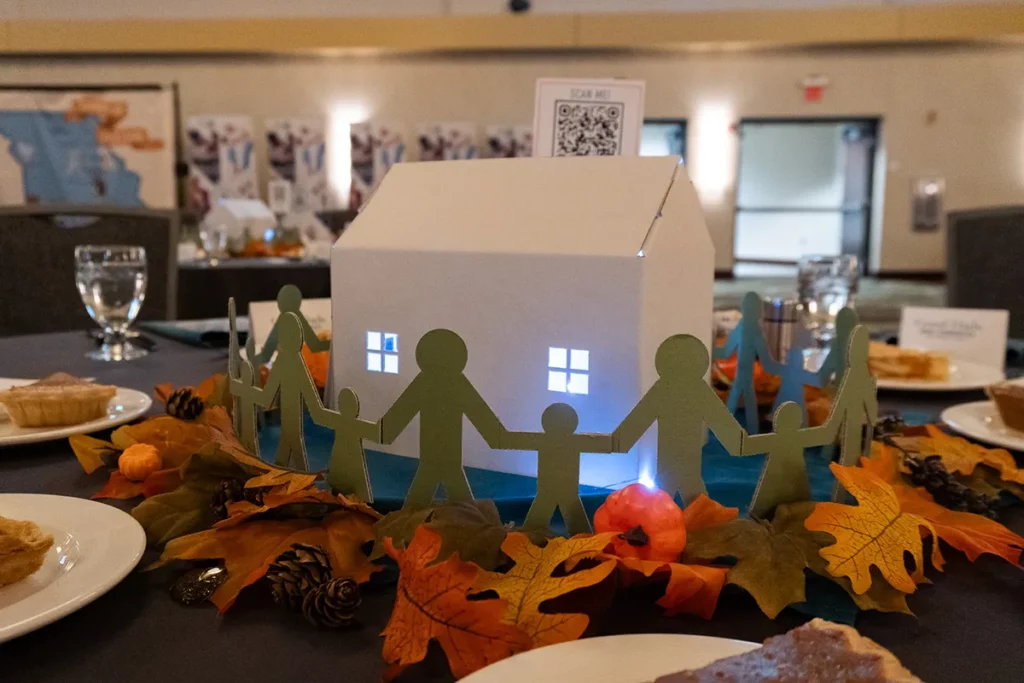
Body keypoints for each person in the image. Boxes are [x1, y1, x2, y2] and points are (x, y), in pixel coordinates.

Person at [615, 334, 746, 505]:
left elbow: (636, 422)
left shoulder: (674, 390)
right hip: (672, 469)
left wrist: (619, 441)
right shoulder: (675, 390)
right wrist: (739, 443)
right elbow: (637, 420)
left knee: (687, 505)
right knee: (673, 505)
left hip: (681, 470)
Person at [381, 329, 503, 508]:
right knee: (458, 508)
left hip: (442, 460)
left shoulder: (434, 383)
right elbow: (489, 427)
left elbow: (393, 424)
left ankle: (407, 528)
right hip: (438, 460)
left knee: (427, 504)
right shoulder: (447, 384)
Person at [502, 403, 613, 535]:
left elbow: (501, 438)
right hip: (556, 493)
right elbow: (618, 442)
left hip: (555, 494)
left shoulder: (544, 440)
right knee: (575, 529)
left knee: (543, 523)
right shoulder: (575, 441)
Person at [233, 313, 323, 471]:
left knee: (291, 460)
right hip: (288, 424)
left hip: (294, 424)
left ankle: (295, 483)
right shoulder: (291, 365)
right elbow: (272, 392)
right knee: (288, 460)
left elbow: (308, 395)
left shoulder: (298, 366)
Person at [740, 401, 840, 518]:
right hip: (788, 473)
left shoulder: (775, 439)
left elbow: (744, 444)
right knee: (775, 500)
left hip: (788, 473)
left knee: (783, 498)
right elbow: (826, 434)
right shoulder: (800, 436)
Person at [826, 326, 879, 500]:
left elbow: (863, 401)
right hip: (849, 428)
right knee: (848, 463)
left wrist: (871, 418)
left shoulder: (858, 374)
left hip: (854, 427)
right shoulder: (858, 374)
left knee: (852, 463)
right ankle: (842, 496)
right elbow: (846, 401)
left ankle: (846, 496)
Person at [714, 292, 775, 434]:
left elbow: (727, 350)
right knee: (746, 405)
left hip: (743, 375)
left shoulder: (746, 329)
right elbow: (764, 357)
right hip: (744, 375)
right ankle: (747, 434)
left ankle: (727, 433)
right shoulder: (754, 330)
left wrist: (712, 352)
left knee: (735, 405)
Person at [307, 387, 378, 503]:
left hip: (342, 454)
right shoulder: (357, 424)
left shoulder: (338, 419)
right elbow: (377, 432)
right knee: (348, 482)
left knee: (343, 480)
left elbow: (319, 415)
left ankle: (352, 502)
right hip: (349, 456)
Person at [249, 284, 329, 365]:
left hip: (285, 366)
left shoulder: (284, 318)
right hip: (298, 366)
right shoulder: (298, 317)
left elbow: (266, 354)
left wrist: (250, 361)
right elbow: (315, 346)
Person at [761, 346, 822, 428]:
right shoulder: (800, 374)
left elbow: (770, 367)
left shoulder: (785, 370)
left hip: (787, 407)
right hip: (794, 407)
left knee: (781, 422)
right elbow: (818, 380)